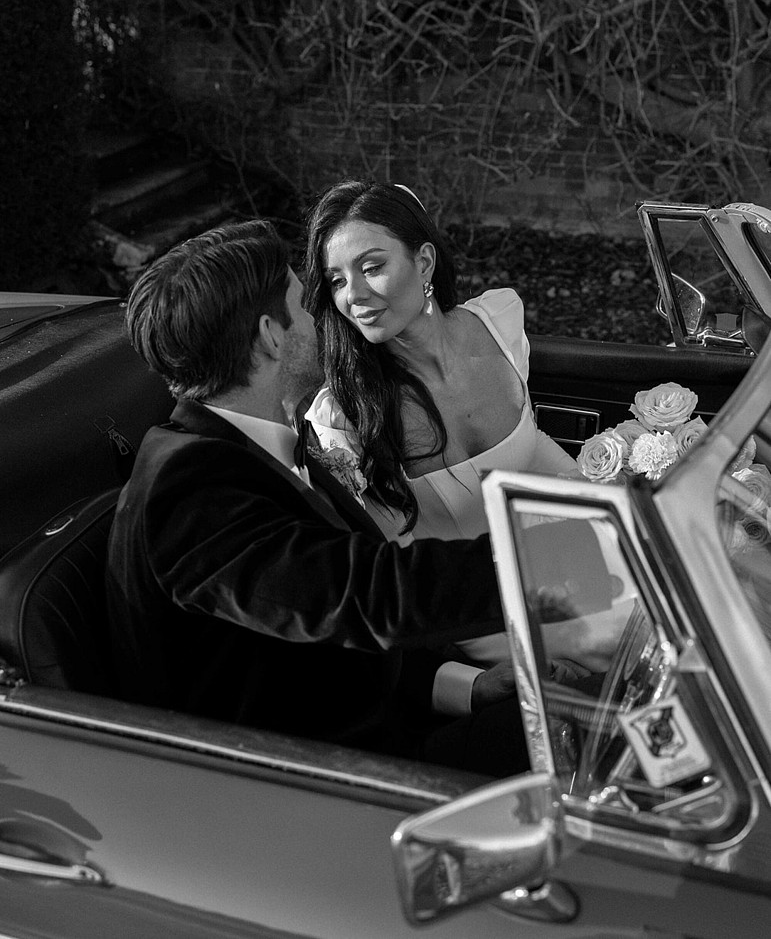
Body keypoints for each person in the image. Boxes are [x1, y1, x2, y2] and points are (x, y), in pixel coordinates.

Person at [106, 217, 540, 776]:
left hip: (384, 724)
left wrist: (467, 688)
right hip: (310, 778)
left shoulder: (262, 443)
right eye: (302, 304)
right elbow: (366, 594)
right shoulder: (186, 489)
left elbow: (329, 627)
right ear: (271, 335)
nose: (319, 318)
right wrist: (572, 560)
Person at [303, 179, 627, 670]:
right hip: (475, 613)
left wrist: (611, 506)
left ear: (424, 262)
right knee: (625, 636)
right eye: (337, 281)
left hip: (560, 558)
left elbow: (531, 445)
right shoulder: (345, 415)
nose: (355, 296)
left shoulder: (497, 322)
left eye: (371, 268)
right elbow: (398, 574)